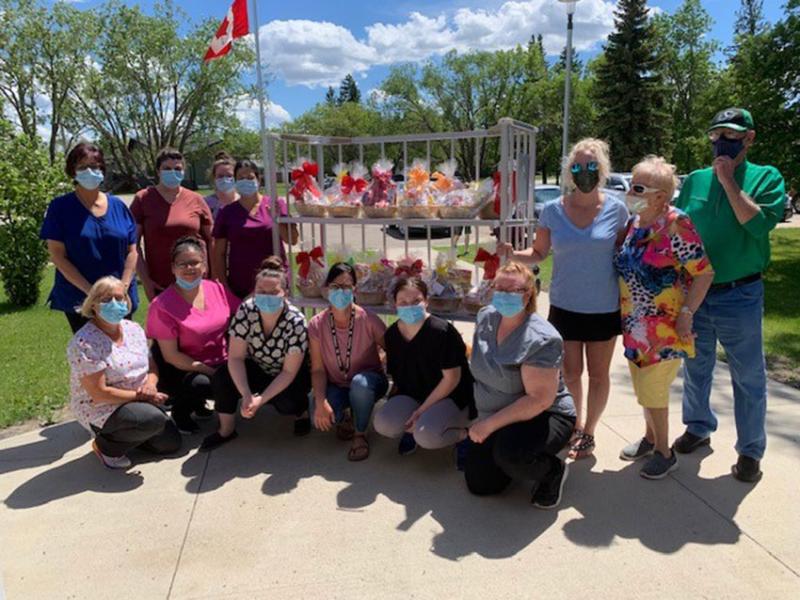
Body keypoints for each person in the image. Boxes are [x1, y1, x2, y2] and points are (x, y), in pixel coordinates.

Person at [673, 108, 786, 483]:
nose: (724, 141)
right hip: (696, 293)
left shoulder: (766, 177)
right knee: (695, 367)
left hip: (740, 294)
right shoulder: (694, 181)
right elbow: (679, 230)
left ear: (749, 138)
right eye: (717, 134)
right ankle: (698, 427)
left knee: (748, 376)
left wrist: (728, 182)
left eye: (733, 135)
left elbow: (758, 224)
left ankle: (750, 450)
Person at [499, 138, 628, 460]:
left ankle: (590, 431)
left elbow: (628, 255)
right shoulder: (554, 210)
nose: (584, 172)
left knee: (598, 375)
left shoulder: (617, 209)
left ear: (603, 169)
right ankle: (575, 424)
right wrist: (514, 254)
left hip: (603, 307)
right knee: (569, 374)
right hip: (565, 306)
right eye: (577, 167)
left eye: (591, 166)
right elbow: (539, 253)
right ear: (569, 172)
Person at [614, 156, 714, 479]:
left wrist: (687, 312)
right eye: (631, 184)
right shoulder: (635, 222)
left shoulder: (676, 223)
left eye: (638, 186)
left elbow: (704, 272)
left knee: (654, 391)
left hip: (665, 328)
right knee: (644, 389)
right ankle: (650, 438)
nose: (631, 191)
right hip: (634, 325)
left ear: (661, 195)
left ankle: (664, 452)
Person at [465, 261, 575, 509]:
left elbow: (539, 399)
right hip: (498, 414)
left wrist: (487, 426)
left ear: (528, 294)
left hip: (544, 413)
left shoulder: (543, 339)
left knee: (512, 455)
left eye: (512, 290)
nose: (503, 295)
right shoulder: (485, 317)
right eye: (498, 288)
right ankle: (508, 455)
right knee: (480, 484)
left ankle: (552, 471)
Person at [67, 277, 181, 469]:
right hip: (102, 407)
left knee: (171, 444)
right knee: (152, 420)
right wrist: (141, 397)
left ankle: (132, 433)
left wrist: (151, 385)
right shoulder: (84, 343)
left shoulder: (133, 329)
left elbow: (152, 366)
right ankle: (106, 447)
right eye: (105, 299)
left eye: (119, 298)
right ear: (93, 304)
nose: (114, 304)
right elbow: (99, 393)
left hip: (140, 399)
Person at [201, 257, 312, 451]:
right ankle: (226, 429)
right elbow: (235, 358)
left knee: (287, 403)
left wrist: (260, 400)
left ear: (285, 294)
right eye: (261, 291)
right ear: (254, 291)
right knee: (222, 377)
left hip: (286, 372)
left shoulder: (296, 321)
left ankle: (301, 412)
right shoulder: (246, 310)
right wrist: (245, 393)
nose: (266, 296)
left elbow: (288, 372)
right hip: (257, 365)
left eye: (273, 292)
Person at [146, 237, 241, 434]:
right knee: (205, 385)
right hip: (185, 367)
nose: (190, 268)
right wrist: (212, 372)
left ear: (205, 265)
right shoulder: (162, 305)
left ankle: (201, 404)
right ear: (173, 268)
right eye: (183, 263)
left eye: (195, 262)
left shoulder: (217, 289)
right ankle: (182, 411)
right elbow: (171, 356)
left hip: (222, 359)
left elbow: (242, 312)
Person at [373, 277, 475, 461]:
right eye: (403, 302)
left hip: (450, 394)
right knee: (384, 423)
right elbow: (398, 374)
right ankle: (415, 426)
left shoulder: (442, 332)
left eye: (416, 301)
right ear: (394, 304)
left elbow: (451, 379)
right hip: (414, 393)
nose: (409, 306)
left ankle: (464, 435)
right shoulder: (392, 335)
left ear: (426, 301)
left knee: (427, 436)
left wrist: (420, 413)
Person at [41, 143, 138, 333]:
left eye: (95, 167)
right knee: (90, 357)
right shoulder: (60, 208)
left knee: (124, 354)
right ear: (72, 171)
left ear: (102, 169)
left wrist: (122, 289)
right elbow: (57, 256)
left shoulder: (118, 206)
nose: (90, 171)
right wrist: (92, 294)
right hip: (80, 299)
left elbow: (132, 251)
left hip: (119, 298)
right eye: (82, 167)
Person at [309, 263, 388, 462]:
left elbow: (394, 350)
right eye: (335, 286)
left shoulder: (369, 319)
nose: (341, 291)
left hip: (368, 383)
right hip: (337, 384)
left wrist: (386, 365)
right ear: (326, 289)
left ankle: (360, 433)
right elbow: (318, 369)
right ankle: (344, 416)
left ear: (355, 289)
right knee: (316, 414)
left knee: (360, 385)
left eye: (347, 286)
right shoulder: (317, 324)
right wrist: (320, 402)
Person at [130, 147, 214, 300]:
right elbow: (132, 244)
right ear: (158, 171)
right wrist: (146, 281)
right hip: (160, 285)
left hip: (196, 281)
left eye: (177, 168)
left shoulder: (196, 199)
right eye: (167, 168)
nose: (173, 172)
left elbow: (211, 240)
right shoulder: (143, 199)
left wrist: (211, 275)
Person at [211, 159, 298, 299]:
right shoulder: (227, 212)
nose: (246, 181)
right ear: (235, 181)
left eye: (250, 178)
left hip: (273, 284)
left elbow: (292, 240)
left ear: (258, 179)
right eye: (241, 178)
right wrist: (224, 286)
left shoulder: (276, 204)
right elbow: (219, 253)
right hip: (240, 286)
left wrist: (277, 220)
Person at [204, 152, 239, 220]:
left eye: (229, 176)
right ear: (214, 178)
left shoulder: (244, 202)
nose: (225, 179)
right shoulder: (205, 203)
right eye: (220, 176)